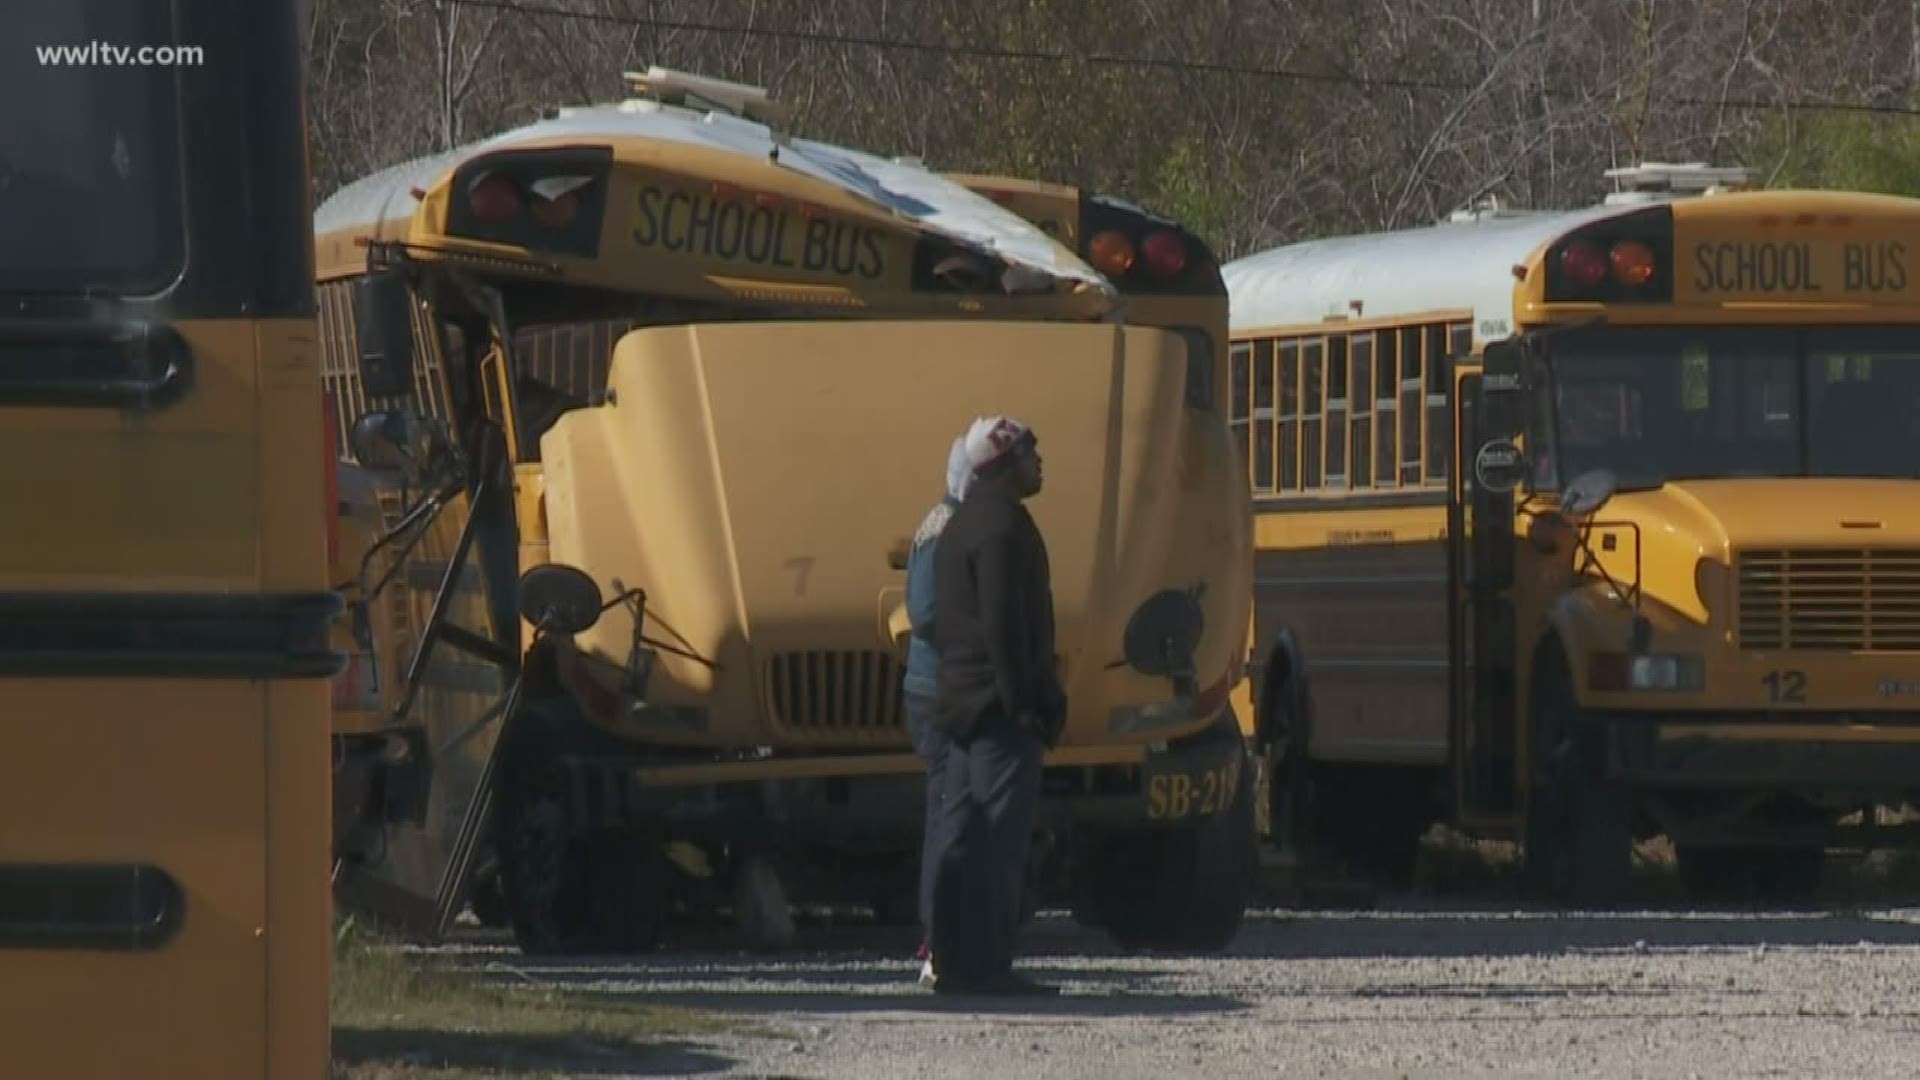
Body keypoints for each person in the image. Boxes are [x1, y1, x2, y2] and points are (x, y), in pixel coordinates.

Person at [928, 415, 1065, 996]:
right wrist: (1025, 707)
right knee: (996, 845)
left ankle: (955, 960)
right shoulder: (1002, 529)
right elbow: (1005, 626)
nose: (1040, 461)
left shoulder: (961, 524)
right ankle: (986, 966)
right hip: (996, 709)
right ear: (1004, 463)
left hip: (960, 703)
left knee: (961, 837)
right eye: (1031, 451)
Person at [901, 434, 972, 989]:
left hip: (939, 683)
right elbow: (924, 609)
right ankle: (937, 938)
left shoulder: (945, 523)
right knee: (947, 812)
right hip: (938, 687)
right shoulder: (943, 528)